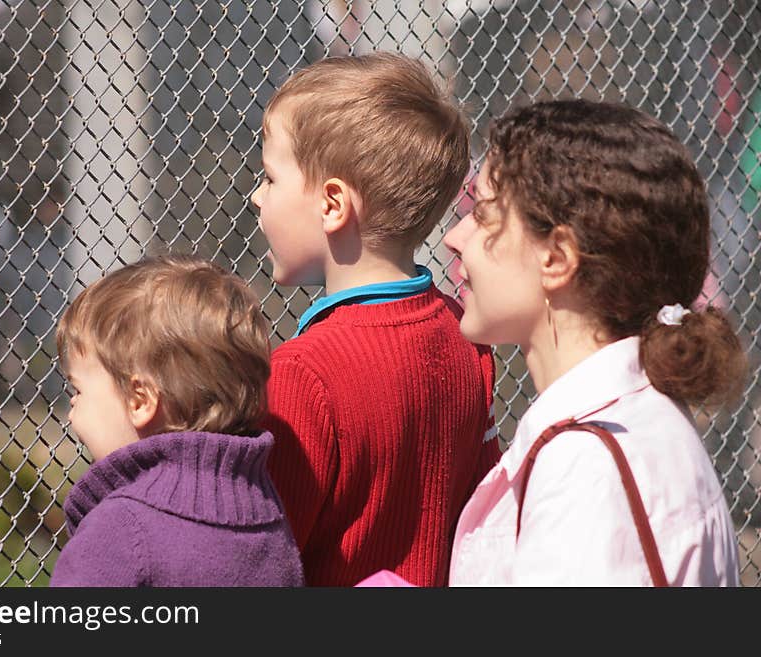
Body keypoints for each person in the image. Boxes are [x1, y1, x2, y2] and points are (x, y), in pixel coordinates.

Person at [437, 99, 743, 585]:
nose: (455, 236)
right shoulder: (636, 417)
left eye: (484, 213)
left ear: (556, 258)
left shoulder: (587, 469)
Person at [0, 255, 304, 587]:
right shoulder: (264, 511)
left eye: (78, 390)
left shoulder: (122, 532)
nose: (71, 408)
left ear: (139, 399)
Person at [251, 52, 498, 586]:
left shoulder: (300, 374)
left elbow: (264, 558)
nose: (256, 196)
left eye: (270, 178)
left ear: (333, 203)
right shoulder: (465, 334)